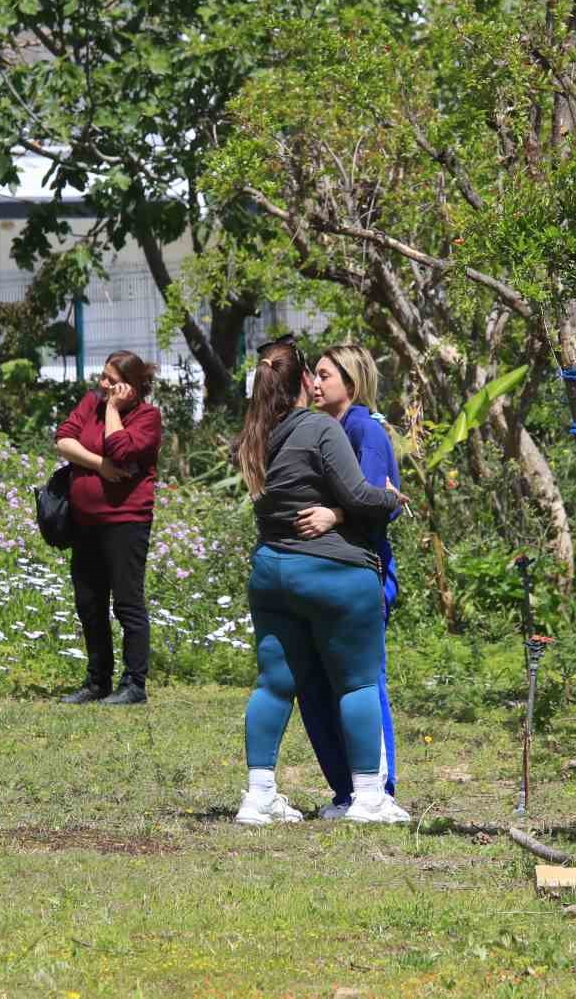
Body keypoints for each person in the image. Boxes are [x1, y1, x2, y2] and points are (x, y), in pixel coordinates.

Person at [232, 335, 410, 825]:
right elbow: (358, 495)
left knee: (274, 685)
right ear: (304, 380)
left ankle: (259, 794)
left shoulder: (253, 434)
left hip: (271, 572)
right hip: (333, 573)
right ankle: (369, 798)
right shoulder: (319, 429)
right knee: (356, 684)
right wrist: (392, 498)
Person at [293, 345, 403, 819]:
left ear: (351, 385)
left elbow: (380, 500)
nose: (315, 384)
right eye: (313, 375)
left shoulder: (365, 430)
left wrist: (332, 514)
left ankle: (379, 790)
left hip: (363, 573)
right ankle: (345, 791)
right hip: (323, 574)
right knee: (317, 683)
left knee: (361, 681)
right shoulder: (323, 429)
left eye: (324, 375)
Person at [53, 350, 162, 705]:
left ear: (130, 387)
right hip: (85, 522)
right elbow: (64, 440)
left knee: (127, 603)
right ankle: (97, 680)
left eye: (111, 381)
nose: (103, 385)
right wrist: (100, 467)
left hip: (126, 522)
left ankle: (134, 683)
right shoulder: (90, 403)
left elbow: (122, 449)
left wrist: (113, 411)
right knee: (89, 602)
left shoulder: (148, 417)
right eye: (102, 377)